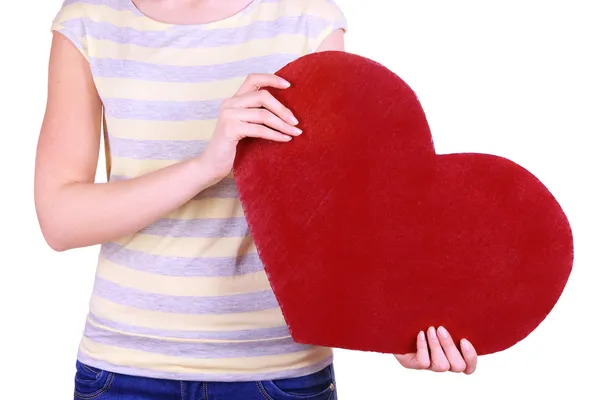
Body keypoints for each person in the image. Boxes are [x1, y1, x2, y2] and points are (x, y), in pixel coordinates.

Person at [34, 0, 478, 398]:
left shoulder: (307, 20)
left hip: (278, 374)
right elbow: (59, 219)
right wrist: (204, 167)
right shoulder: (89, 21)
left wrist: (396, 327)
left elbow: (344, 213)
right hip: (123, 370)